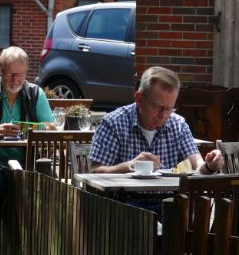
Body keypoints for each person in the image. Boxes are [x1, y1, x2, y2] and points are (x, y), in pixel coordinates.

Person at [89, 66, 224, 175]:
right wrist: (131, 165)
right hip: (125, 203)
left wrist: (210, 166)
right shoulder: (114, 123)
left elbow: (197, 168)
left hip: (169, 202)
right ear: (139, 99)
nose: (163, 115)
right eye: (157, 107)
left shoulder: (178, 125)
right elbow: (95, 171)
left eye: (169, 108)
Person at [0, 46, 56, 163]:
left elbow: (51, 127)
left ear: (26, 72)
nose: (15, 80)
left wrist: (30, 128)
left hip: (27, 162)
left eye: (20, 74)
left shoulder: (35, 93)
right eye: (10, 74)